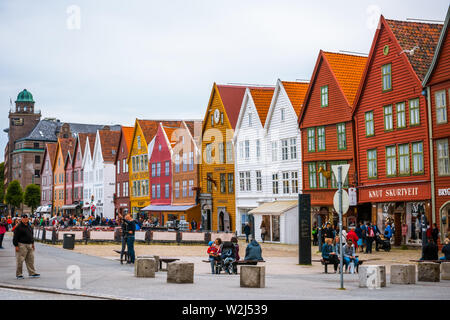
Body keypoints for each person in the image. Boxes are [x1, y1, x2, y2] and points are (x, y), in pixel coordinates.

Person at [13, 214, 40, 279]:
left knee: (30, 259)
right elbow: (15, 237)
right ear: (21, 219)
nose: (25, 219)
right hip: (22, 245)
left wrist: (33, 243)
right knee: (20, 260)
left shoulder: (29, 226)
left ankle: (32, 273)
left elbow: (31, 235)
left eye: (26, 218)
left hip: (29, 244)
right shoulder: (18, 227)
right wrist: (16, 245)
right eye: (23, 218)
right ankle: (19, 274)